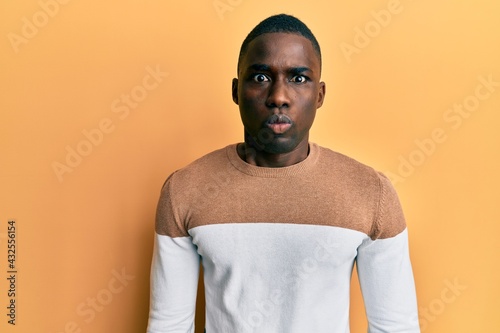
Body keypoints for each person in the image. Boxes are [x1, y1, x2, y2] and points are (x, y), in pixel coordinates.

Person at [147, 14, 420, 333]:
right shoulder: (185, 189)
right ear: (236, 91)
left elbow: (395, 326)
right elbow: (169, 325)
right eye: (261, 77)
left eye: (298, 78)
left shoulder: (371, 192)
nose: (278, 96)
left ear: (319, 95)